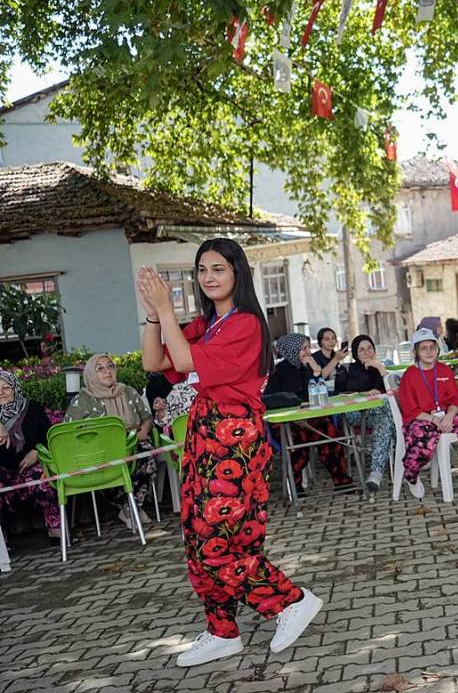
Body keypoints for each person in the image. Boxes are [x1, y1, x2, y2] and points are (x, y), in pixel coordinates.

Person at [137, 237, 322, 667]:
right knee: (202, 538)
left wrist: (166, 308)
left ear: (238, 272)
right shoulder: (207, 325)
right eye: (202, 270)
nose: (208, 277)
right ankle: (222, 630)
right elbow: (153, 363)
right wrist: (152, 314)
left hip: (233, 437)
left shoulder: (246, 325)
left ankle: (289, 600)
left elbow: (184, 364)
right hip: (205, 434)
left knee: (214, 543)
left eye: (218, 268)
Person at [65, 354, 158, 527]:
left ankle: (132, 506)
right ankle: (129, 507)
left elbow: (147, 418)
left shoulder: (127, 391)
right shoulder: (82, 401)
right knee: (107, 467)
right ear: (91, 374)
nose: (107, 372)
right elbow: (70, 433)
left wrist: (144, 430)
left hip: (133, 443)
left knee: (148, 457)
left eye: (110, 367)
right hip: (101, 452)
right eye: (100, 368)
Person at [396, 328, 458, 497]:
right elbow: (410, 409)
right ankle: (411, 477)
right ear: (416, 351)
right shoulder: (410, 375)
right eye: (423, 348)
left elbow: (455, 401)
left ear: (437, 349)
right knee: (420, 442)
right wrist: (434, 420)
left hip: (446, 416)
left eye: (432, 347)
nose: (429, 352)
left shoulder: (444, 370)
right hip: (422, 419)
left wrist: (449, 416)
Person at [264, 334, 353, 493]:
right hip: (287, 422)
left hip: (310, 418)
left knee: (329, 433)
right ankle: (295, 487)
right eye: (303, 349)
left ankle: (341, 480)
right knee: (299, 441)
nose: (308, 352)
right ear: (293, 350)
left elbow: (318, 393)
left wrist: (317, 371)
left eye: (308, 348)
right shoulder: (278, 372)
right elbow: (271, 401)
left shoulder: (307, 368)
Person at [0, 370, 62, 544]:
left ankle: (55, 529)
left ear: (15, 388)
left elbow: (48, 435)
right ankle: (1, 543)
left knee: (43, 480)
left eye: (6, 387)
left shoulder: (31, 407)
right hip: (3, 469)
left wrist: (36, 451)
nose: (1, 392)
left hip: (28, 465)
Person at [335, 335, 395, 493]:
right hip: (354, 413)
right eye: (362, 350)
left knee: (384, 421)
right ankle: (411, 448)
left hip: (377, 415)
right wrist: (364, 394)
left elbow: (393, 391)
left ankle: (376, 474)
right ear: (355, 353)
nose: (366, 352)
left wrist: (380, 368)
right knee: (388, 411)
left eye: (369, 348)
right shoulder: (345, 369)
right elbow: (338, 396)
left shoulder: (378, 368)